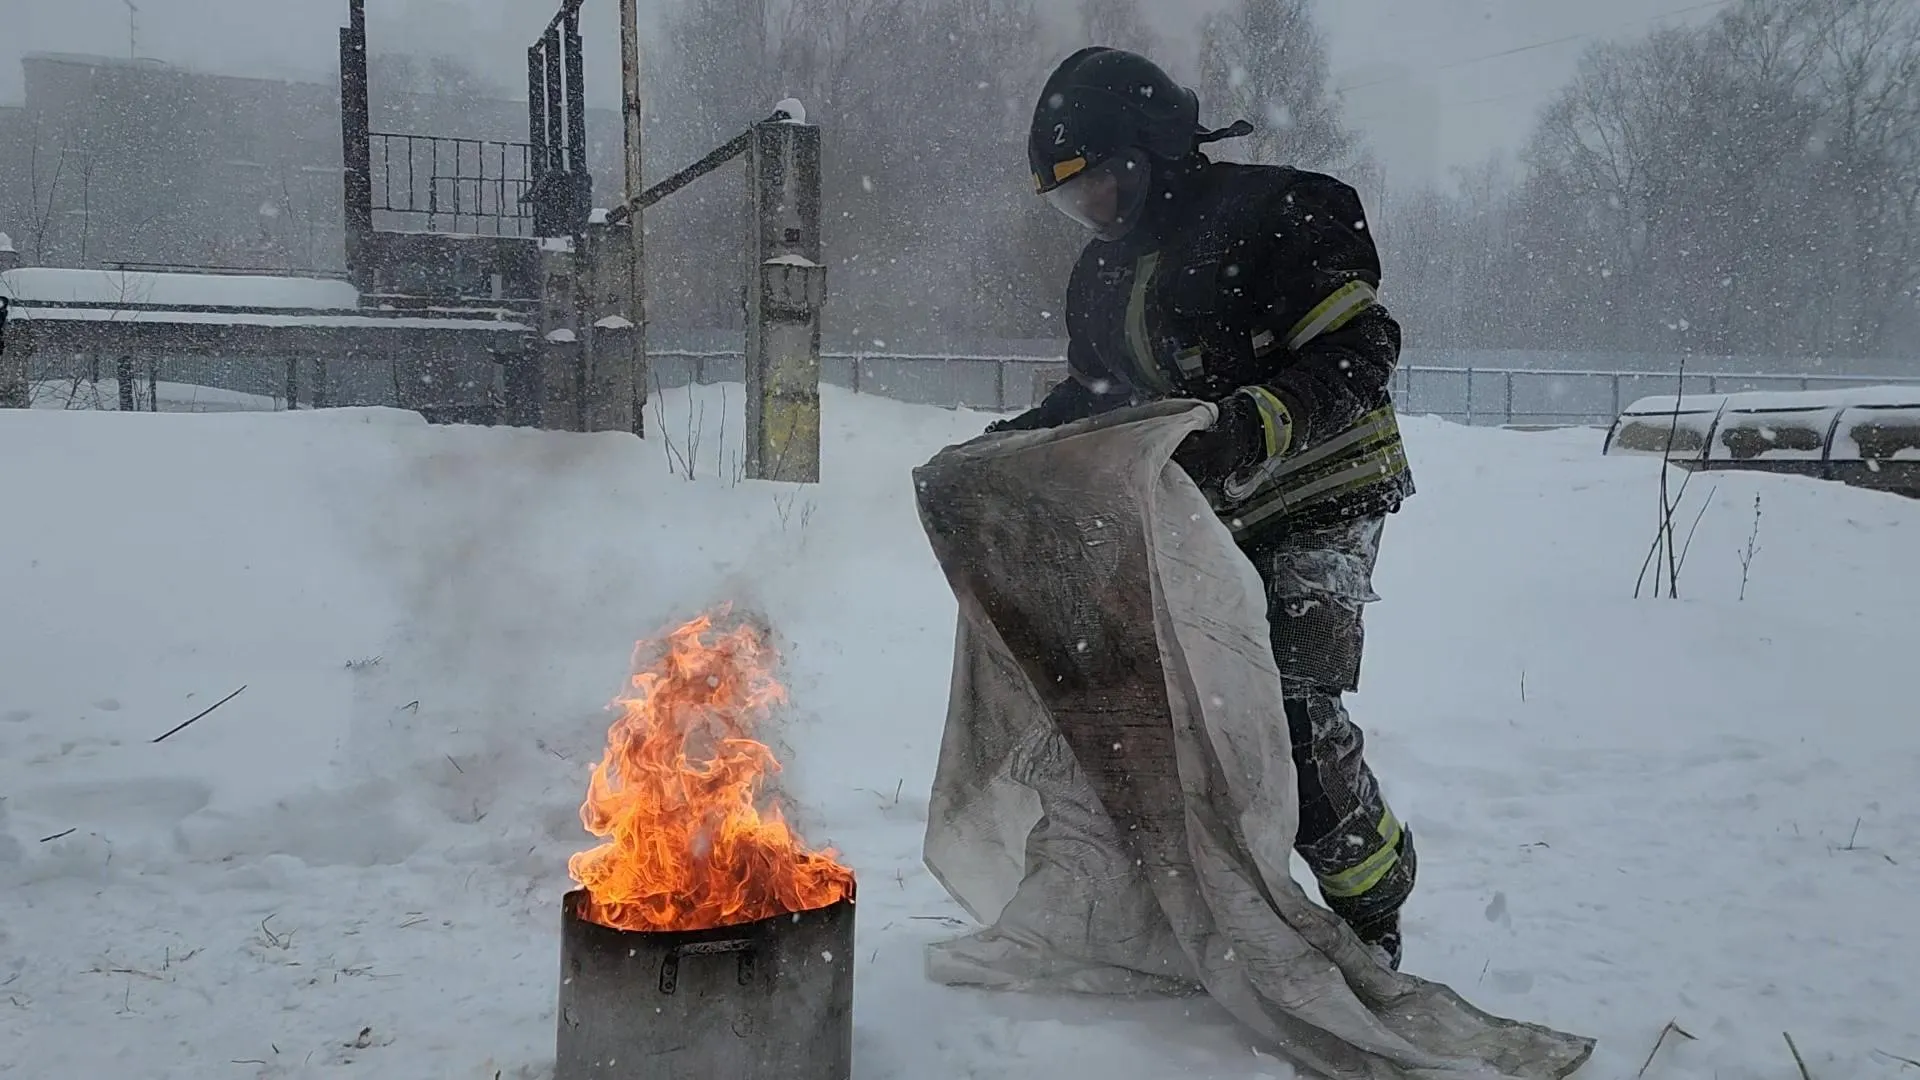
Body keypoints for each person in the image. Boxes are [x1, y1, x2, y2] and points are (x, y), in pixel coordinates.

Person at [989, 46, 1418, 970]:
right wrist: (1016, 442)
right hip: (1210, 507)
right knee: (1185, 715)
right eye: (1072, 200)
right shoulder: (1101, 275)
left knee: (1290, 718)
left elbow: (1360, 348)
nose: (1093, 212)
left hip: (1321, 492)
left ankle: (1371, 910)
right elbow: (1099, 395)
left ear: (1155, 150)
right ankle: (1206, 907)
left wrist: (1259, 420)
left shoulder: (1278, 211)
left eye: (1101, 183)